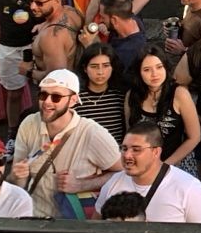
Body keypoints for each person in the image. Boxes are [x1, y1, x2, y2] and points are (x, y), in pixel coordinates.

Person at [7, 68, 122, 218]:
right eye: (43, 95)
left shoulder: (92, 133)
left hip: (73, 225)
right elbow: (15, 184)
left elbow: (122, 173)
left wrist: (81, 185)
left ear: (73, 100)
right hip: (34, 219)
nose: (47, 102)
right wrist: (18, 176)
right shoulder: (29, 124)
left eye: (56, 97)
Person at [94, 122, 201, 223]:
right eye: (124, 148)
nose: (127, 155)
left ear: (156, 152)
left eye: (136, 149)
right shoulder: (113, 182)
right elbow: (94, 229)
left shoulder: (189, 188)